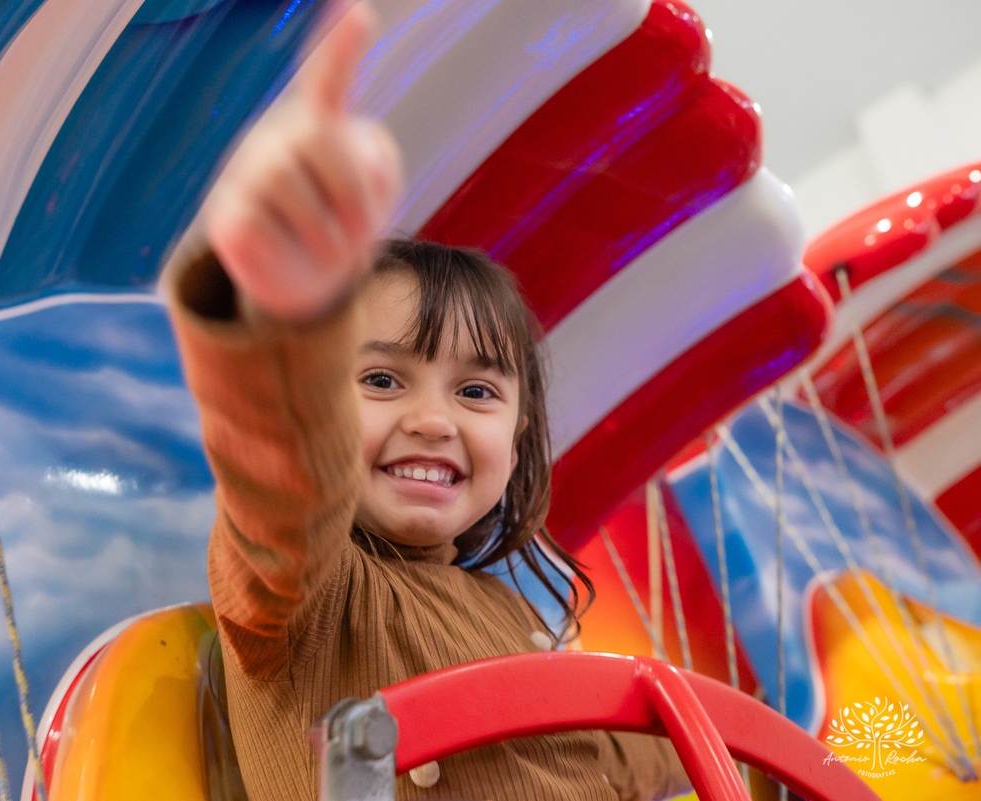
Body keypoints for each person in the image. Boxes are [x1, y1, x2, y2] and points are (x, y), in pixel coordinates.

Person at [162, 2, 692, 799]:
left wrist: (866, 742)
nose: (434, 419)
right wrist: (275, 306)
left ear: (518, 437)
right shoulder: (308, 591)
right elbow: (282, 473)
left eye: (477, 391)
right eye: (380, 380)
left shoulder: (515, 622)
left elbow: (659, 748)